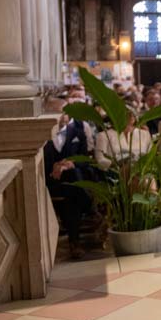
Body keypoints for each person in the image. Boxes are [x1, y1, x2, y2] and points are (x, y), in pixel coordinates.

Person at [44, 100, 94, 260]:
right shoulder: (41, 135)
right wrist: (55, 166)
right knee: (73, 189)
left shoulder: (78, 132)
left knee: (71, 193)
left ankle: (74, 243)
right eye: (59, 112)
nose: (64, 116)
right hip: (50, 181)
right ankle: (89, 206)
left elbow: (86, 160)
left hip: (71, 182)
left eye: (66, 112)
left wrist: (70, 164)